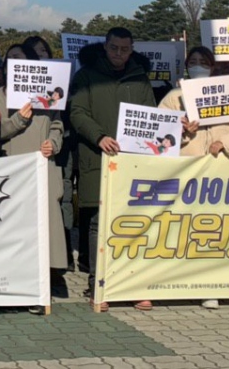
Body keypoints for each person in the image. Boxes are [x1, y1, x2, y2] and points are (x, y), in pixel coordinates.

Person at [67, 27, 156, 311]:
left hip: (133, 161)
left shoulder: (140, 78)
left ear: (132, 49)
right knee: (98, 224)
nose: (119, 53)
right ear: (105, 47)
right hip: (98, 158)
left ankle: (134, 286)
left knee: (134, 223)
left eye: (125, 49)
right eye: (114, 48)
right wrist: (99, 136)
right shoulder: (86, 75)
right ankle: (99, 286)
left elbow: (151, 116)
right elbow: (77, 112)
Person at [157, 46, 229, 310]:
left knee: (212, 230)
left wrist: (225, 143)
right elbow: (158, 136)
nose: (198, 65)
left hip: (218, 172)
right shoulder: (174, 97)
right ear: (187, 66)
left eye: (204, 61)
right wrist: (182, 131)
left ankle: (209, 287)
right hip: (185, 172)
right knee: (182, 228)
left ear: (212, 67)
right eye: (194, 61)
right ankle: (176, 282)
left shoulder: (227, 93)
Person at [0, 43, 67, 313]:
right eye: (11, 58)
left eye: (21, 58)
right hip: (12, 169)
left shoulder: (48, 96)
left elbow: (57, 125)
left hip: (42, 167)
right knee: (14, 229)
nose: (15, 62)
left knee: (42, 229)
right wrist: (18, 120)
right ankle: (13, 288)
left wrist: (53, 143)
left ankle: (39, 291)